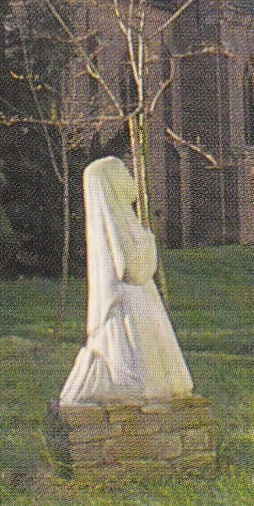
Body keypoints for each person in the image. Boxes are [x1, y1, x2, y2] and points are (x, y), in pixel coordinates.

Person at [59, 156, 193, 405]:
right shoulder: (115, 223)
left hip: (139, 299)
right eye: (122, 171)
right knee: (141, 369)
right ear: (110, 182)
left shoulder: (121, 217)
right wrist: (148, 241)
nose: (129, 176)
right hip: (131, 303)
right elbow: (133, 268)